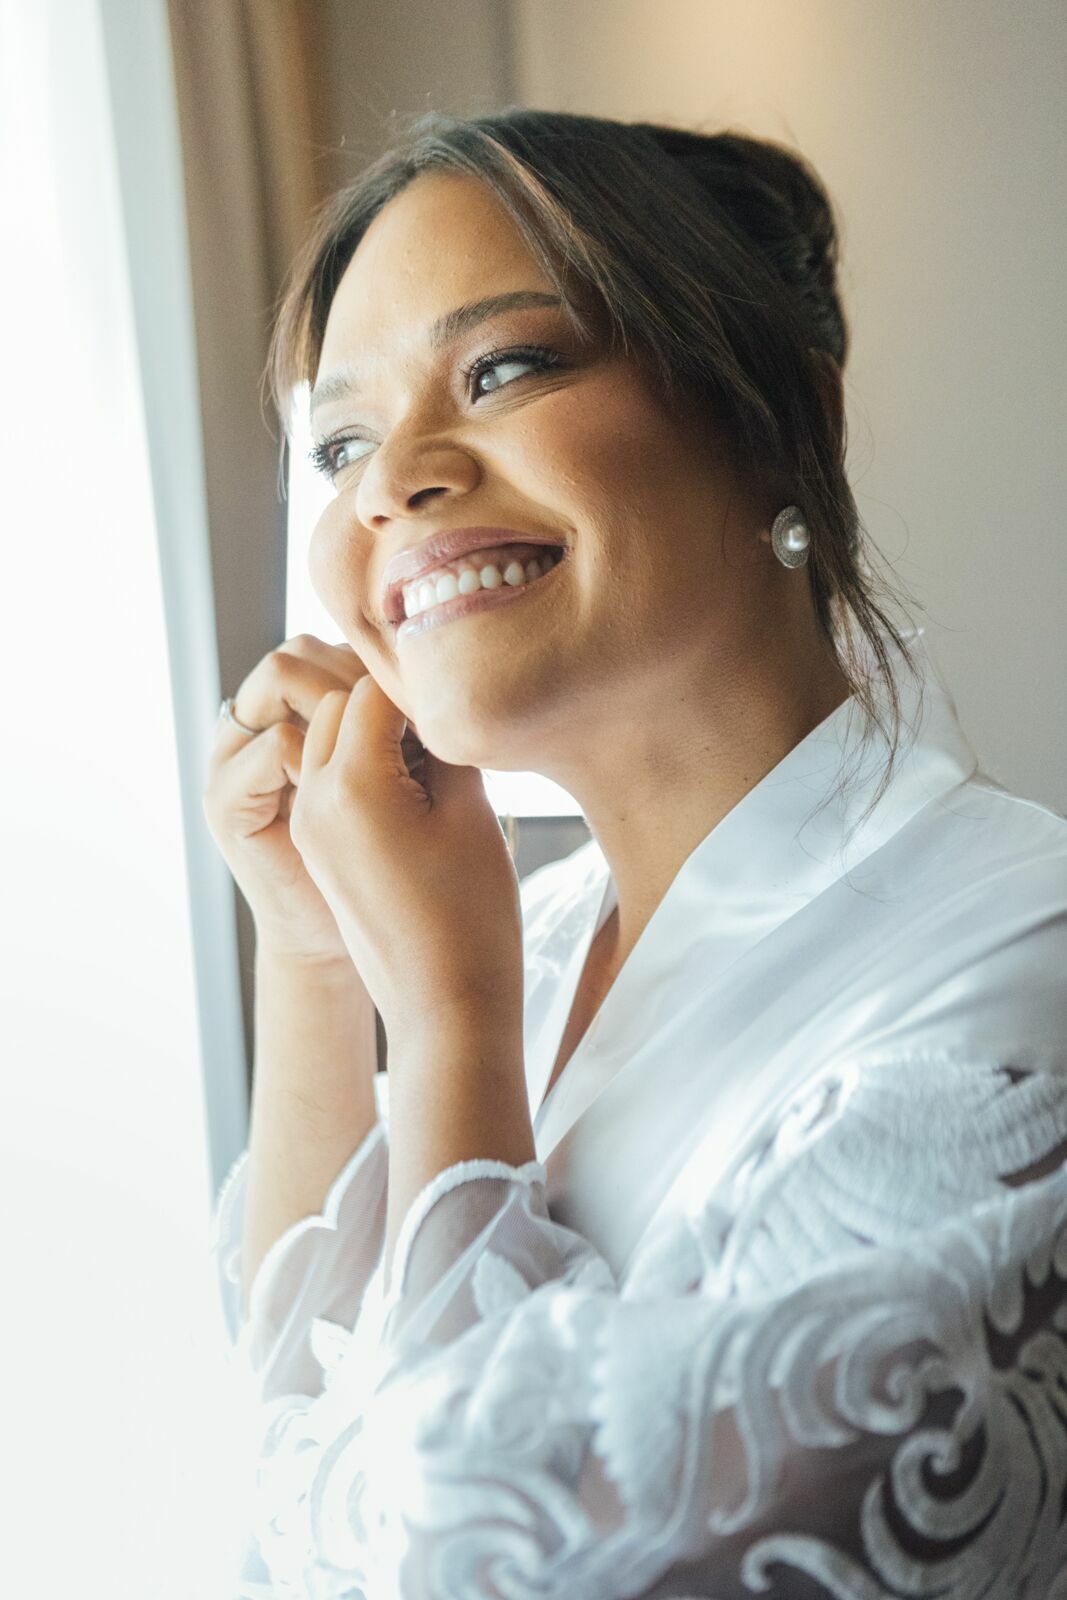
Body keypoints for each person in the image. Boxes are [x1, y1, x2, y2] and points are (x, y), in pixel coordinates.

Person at [203, 110, 1067, 1598]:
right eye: (341, 440)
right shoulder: (524, 942)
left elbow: (489, 1560)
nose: (392, 478)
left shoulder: (1010, 976)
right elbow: (294, 1464)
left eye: (505, 369)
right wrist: (316, 958)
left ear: (784, 417)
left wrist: (451, 1032)